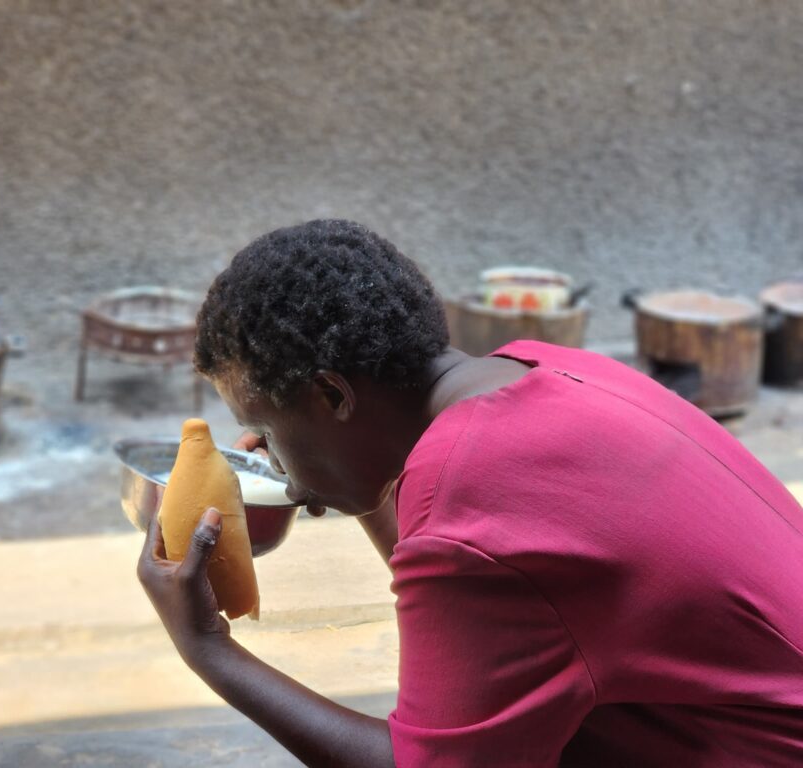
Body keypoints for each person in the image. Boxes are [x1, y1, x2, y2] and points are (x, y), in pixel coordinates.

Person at [137, 219, 803, 767]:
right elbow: (488, 593)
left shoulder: (474, 509)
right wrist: (344, 484)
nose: (265, 452)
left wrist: (208, 648)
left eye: (266, 428)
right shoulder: (543, 369)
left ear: (333, 395)